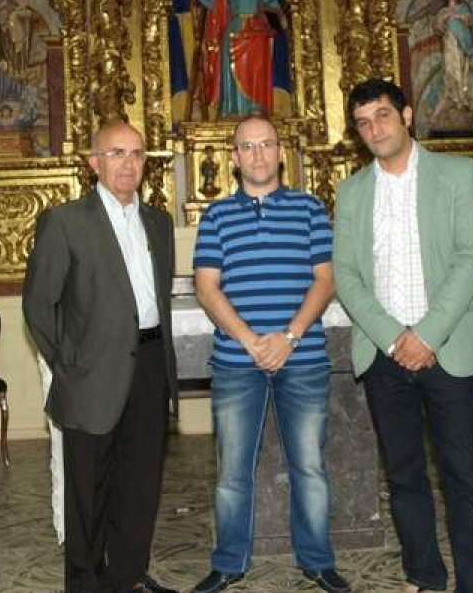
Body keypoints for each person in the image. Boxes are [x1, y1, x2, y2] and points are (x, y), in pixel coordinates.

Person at [333, 79, 473, 593]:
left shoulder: (457, 174)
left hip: (446, 349)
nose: (374, 129)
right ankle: (425, 576)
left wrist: (425, 336)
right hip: (386, 358)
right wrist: (393, 338)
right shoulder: (352, 191)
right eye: (363, 122)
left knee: (463, 477)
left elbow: (472, 260)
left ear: (406, 116)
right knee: (404, 478)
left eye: (382, 116)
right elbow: (347, 276)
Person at [190, 116, 351, 593]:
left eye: (266, 145)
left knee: (309, 466)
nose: (257, 154)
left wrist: (289, 337)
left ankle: (318, 560)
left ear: (281, 153)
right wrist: (250, 340)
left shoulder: (310, 209)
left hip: (300, 359)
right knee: (232, 471)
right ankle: (229, 563)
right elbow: (206, 286)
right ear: (234, 158)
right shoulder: (217, 216)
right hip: (238, 363)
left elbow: (325, 277)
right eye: (247, 147)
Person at [22, 121, 179, 593]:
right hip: (91, 374)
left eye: (136, 153)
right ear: (94, 163)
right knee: (88, 492)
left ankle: (125, 577)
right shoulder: (65, 222)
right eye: (116, 153)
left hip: (150, 366)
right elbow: (37, 304)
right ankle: (86, 584)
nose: (128, 163)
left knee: (139, 486)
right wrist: (68, 364)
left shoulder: (159, 222)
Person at [195, 0, 286, 119]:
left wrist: (277, 17)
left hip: (256, 35)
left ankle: (254, 107)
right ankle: (231, 108)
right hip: (233, 33)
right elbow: (214, 2)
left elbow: (274, 6)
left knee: (255, 71)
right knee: (230, 71)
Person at [429, 0, 473, 122]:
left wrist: (459, 17)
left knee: (462, 69)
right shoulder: (444, 11)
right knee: (450, 69)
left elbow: (470, 21)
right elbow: (437, 27)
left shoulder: (462, 9)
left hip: (462, 44)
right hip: (450, 43)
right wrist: (444, 18)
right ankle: (453, 93)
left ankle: (462, 96)